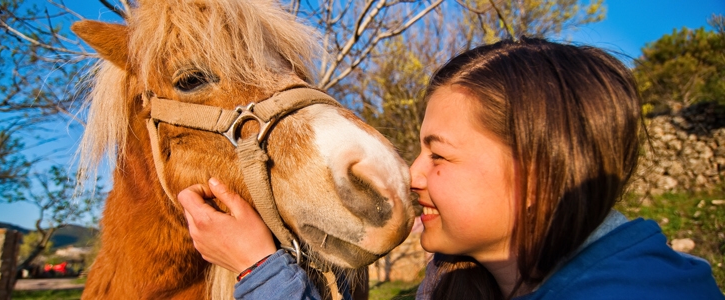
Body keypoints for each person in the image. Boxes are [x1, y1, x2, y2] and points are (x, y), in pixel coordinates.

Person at [178, 37, 724, 299]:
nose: (412, 176)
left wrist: (258, 268)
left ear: (538, 173)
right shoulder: (472, 282)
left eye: (438, 155)